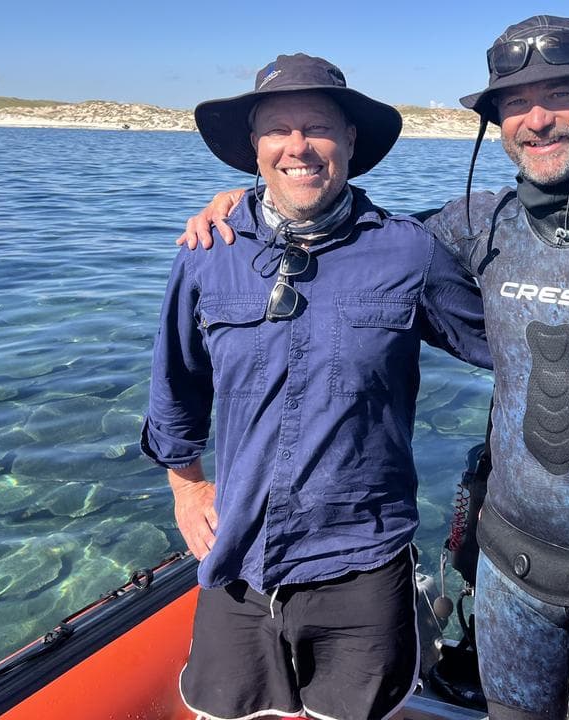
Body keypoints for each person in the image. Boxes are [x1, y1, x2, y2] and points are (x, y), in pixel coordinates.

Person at [181, 16, 569, 720]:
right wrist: (247, 211)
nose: (538, 117)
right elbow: (347, 238)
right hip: (508, 579)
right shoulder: (472, 224)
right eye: (516, 102)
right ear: (495, 122)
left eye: (560, 93)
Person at [142, 53, 491, 720]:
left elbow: (502, 345)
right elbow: (175, 386)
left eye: (318, 128)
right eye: (277, 129)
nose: (297, 147)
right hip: (238, 558)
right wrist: (186, 488)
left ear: (351, 141)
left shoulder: (409, 253)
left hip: (362, 562)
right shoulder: (205, 252)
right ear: (254, 144)